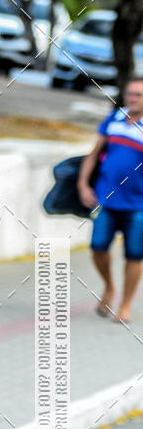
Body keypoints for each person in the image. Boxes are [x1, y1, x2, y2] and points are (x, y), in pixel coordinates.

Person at [79, 77, 143, 323]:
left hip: (138, 205)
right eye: (130, 93)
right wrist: (84, 185)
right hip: (106, 200)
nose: (132, 98)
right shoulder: (115, 119)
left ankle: (125, 305)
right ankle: (109, 287)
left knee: (134, 255)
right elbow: (93, 154)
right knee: (98, 247)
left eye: (138, 94)